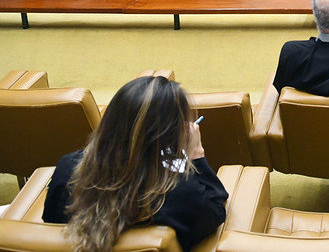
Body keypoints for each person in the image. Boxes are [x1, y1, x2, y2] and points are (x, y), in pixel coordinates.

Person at [42, 76, 228, 251]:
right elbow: (217, 208)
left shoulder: (67, 168)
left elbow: (50, 222)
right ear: (170, 136)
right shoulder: (182, 192)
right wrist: (196, 154)